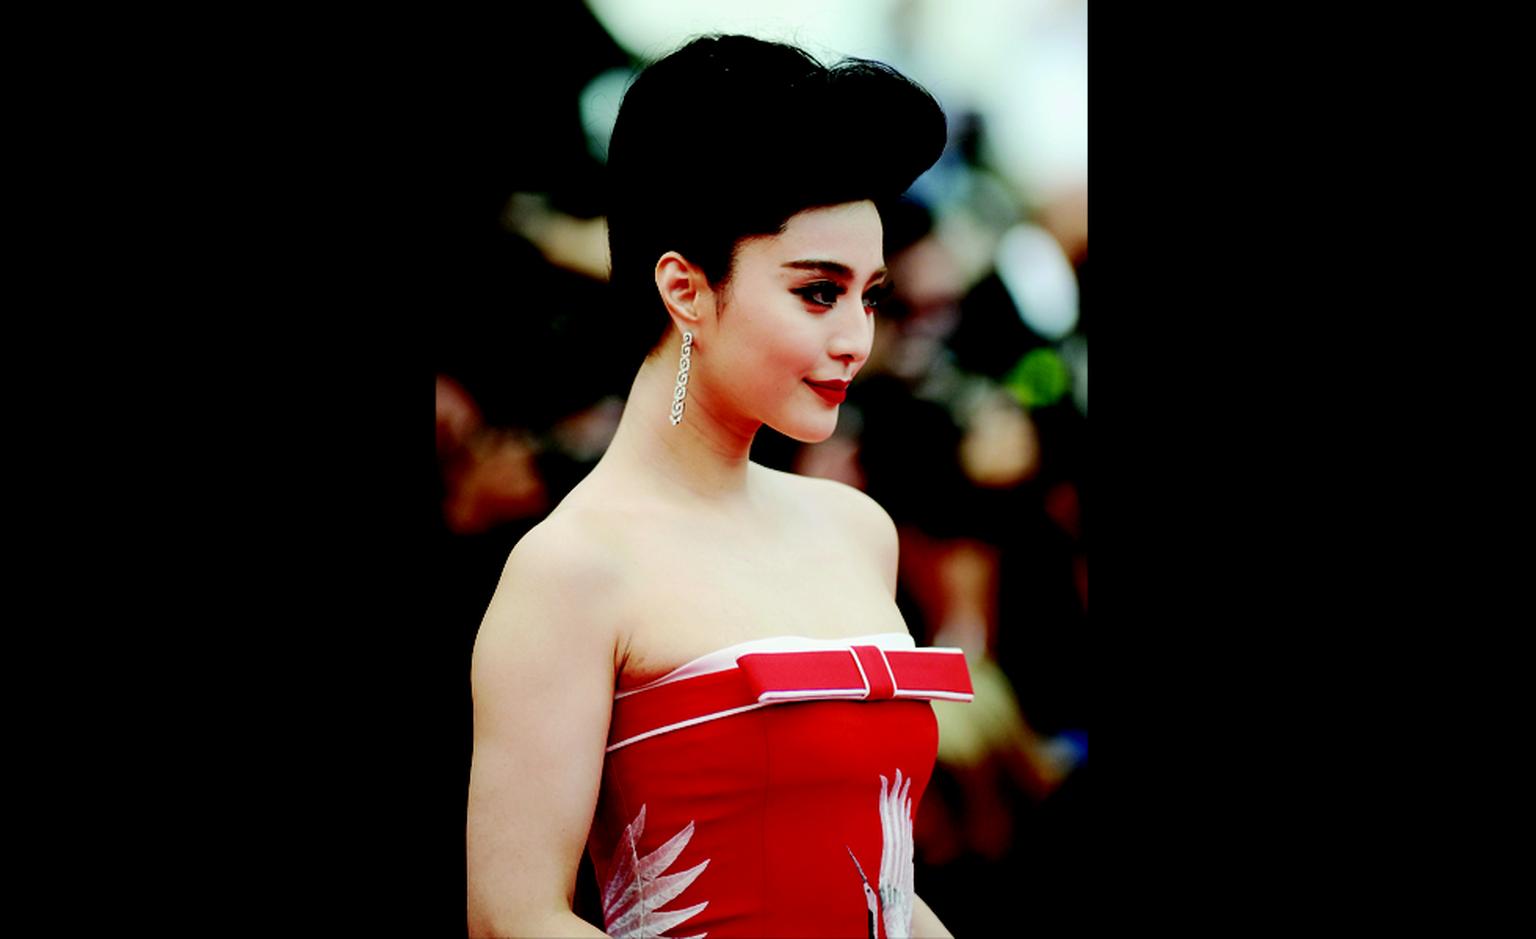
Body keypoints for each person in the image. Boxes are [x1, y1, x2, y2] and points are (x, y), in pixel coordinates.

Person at [466, 34, 971, 939]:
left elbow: (883, 878)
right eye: (819, 293)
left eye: (871, 295)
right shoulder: (571, 570)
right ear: (685, 289)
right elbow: (513, 918)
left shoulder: (858, 528)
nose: (857, 337)